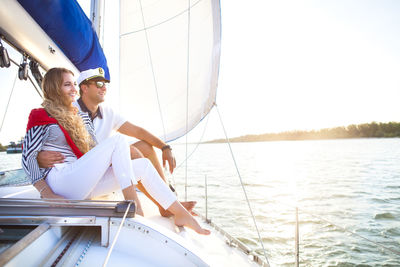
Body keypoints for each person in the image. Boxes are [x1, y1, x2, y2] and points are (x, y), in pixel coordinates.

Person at [22, 67, 210, 235]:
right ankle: (133, 204)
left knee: (142, 165)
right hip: (59, 181)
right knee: (118, 140)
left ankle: (181, 214)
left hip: (79, 181)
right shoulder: (40, 115)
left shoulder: (79, 117)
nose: (73, 89)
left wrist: (159, 148)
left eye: (73, 84)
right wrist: (46, 192)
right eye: (67, 85)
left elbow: (94, 150)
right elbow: (27, 157)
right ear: (55, 88)